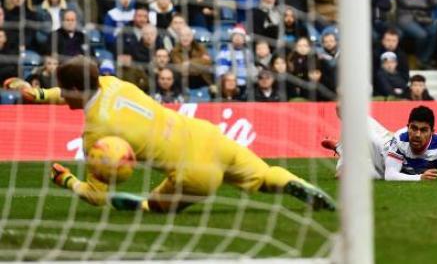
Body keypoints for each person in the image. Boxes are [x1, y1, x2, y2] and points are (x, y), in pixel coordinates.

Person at [5, 56, 334, 212]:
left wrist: (66, 181)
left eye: (64, 89)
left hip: (193, 173)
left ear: (76, 88)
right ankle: (300, 185)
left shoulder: (96, 132)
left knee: (153, 208)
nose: (62, 94)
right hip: (206, 134)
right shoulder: (112, 83)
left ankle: (139, 204)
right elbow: (73, 92)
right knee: (263, 176)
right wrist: (39, 94)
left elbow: (94, 195)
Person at [323, 105, 437, 182]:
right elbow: (391, 174)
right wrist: (419, 178)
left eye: (423, 130)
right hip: (381, 152)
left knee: (343, 176)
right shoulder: (401, 140)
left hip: (379, 170)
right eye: (414, 128)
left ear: (433, 131)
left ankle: (341, 148)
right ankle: (342, 148)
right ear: (408, 127)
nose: (417, 134)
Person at [396, 0, 437, 68]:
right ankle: (418, 58)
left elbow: (436, 1)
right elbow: (407, 2)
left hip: (422, 19)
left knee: (436, 31)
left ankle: (424, 59)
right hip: (406, 20)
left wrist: (429, 2)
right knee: (422, 35)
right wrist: (426, 5)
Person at [215, 26, 256, 97]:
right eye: (235, 36)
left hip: (247, 86)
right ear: (231, 38)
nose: (237, 38)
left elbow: (251, 68)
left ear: (244, 40)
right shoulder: (224, 52)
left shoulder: (248, 53)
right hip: (231, 87)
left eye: (240, 36)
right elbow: (221, 72)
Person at [170, 26, 214, 91]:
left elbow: (208, 62)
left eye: (188, 35)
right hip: (184, 82)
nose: (185, 38)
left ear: (192, 37)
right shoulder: (174, 51)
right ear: (179, 38)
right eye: (182, 36)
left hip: (203, 79)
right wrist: (198, 64)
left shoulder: (200, 48)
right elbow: (180, 68)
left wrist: (188, 63)